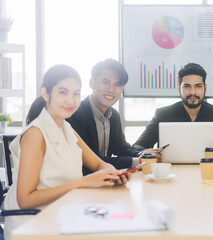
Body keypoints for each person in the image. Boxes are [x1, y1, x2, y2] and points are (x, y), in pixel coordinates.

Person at [3, 65, 131, 240]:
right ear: (46, 94)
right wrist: (82, 182)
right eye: (63, 92)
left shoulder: (66, 127)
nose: (71, 100)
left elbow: (98, 163)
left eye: (76, 93)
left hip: (64, 213)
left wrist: (111, 172)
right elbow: (25, 200)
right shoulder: (36, 134)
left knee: (123, 223)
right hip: (34, 223)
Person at [133, 63, 213, 155]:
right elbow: (138, 146)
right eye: (187, 86)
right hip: (172, 172)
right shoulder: (163, 114)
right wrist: (147, 153)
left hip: (212, 172)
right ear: (179, 88)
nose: (193, 92)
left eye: (198, 86)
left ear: (205, 88)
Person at [67, 59, 157, 175]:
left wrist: (143, 154)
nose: (111, 89)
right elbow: (92, 161)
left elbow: (122, 149)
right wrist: (137, 161)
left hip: (104, 180)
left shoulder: (113, 115)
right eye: (105, 82)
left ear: (122, 89)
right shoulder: (75, 114)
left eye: (117, 84)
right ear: (92, 83)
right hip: (81, 181)